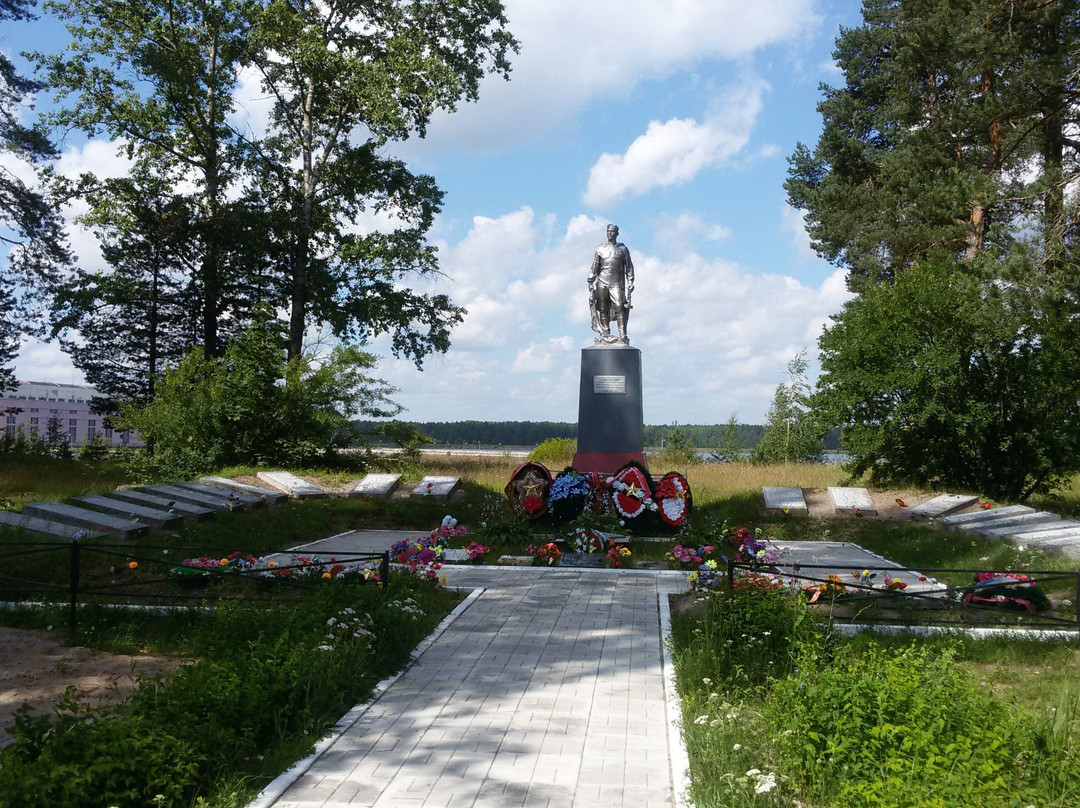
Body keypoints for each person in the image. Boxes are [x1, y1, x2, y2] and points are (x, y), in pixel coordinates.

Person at [588, 223, 634, 344]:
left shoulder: (623, 249)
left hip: (616, 282)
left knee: (619, 305)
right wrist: (590, 280)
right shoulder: (600, 249)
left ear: (617, 233)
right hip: (602, 281)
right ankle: (605, 332)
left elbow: (629, 267)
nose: (610, 234)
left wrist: (630, 281)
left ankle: (622, 333)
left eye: (612, 232)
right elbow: (595, 266)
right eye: (608, 231)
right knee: (603, 308)